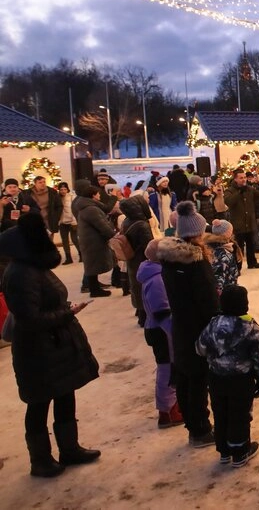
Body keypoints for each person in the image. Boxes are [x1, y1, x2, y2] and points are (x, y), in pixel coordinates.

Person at [0, 212, 101, 477]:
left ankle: (70, 448)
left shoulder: (35, 267)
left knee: (65, 394)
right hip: (38, 350)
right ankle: (40, 460)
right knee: (39, 403)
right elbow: (30, 318)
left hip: (56, 344)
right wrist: (68, 312)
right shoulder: (21, 273)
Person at [157, 201, 219, 449]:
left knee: (186, 376)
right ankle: (200, 428)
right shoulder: (195, 263)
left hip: (181, 325)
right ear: (197, 232)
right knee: (198, 379)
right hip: (199, 328)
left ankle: (193, 425)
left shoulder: (170, 260)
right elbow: (209, 300)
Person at [196, 286, 259, 468]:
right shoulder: (251, 328)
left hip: (216, 378)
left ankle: (224, 450)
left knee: (220, 413)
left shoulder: (213, 325)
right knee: (240, 414)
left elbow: (200, 348)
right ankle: (239, 451)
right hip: (240, 380)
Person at [138, 238, 184, 429]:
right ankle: (168, 411)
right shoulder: (157, 278)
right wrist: (174, 330)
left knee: (168, 368)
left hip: (159, 328)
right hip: (162, 330)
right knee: (167, 369)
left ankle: (170, 406)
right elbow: (161, 309)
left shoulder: (153, 272)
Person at [72, 181, 116, 298]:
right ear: (93, 195)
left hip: (90, 239)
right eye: (98, 194)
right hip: (93, 240)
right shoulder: (91, 209)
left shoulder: (86, 206)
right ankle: (94, 289)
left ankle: (94, 287)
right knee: (92, 264)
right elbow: (102, 225)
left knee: (92, 264)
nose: (100, 196)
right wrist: (113, 235)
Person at [119, 195, 156, 325]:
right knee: (144, 286)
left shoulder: (127, 221)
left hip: (132, 258)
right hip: (142, 259)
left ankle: (139, 311)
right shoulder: (142, 225)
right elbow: (150, 246)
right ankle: (143, 316)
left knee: (136, 285)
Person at [224, 169, 259, 270]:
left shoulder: (249, 189)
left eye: (244, 177)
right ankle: (237, 266)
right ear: (235, 179)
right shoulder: (229, 190)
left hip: (249, 222)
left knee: (251, 245)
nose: (243, 180)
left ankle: (252, 263)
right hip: (238, 223)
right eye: (241, 178)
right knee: (239, 247)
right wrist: (239, 192)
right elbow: (229, 202)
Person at [206, 219, 242, 292]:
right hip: (226, 292)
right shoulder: (222, 254)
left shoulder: (229, 247)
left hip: (230, 286)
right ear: (228, 234)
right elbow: (219, 278)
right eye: (231, 231)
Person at [55, 182, 79, 265]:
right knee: (64, 241)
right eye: (61, 189)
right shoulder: (57, 198)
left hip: (72, 221)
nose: (63, 191)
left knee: (75, 239)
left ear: (67, 189)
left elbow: (74, 210)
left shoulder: (72, 197)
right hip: (62, 222)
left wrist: (74, 221)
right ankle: (68, 258)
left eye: (65, 189)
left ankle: (81, 254)